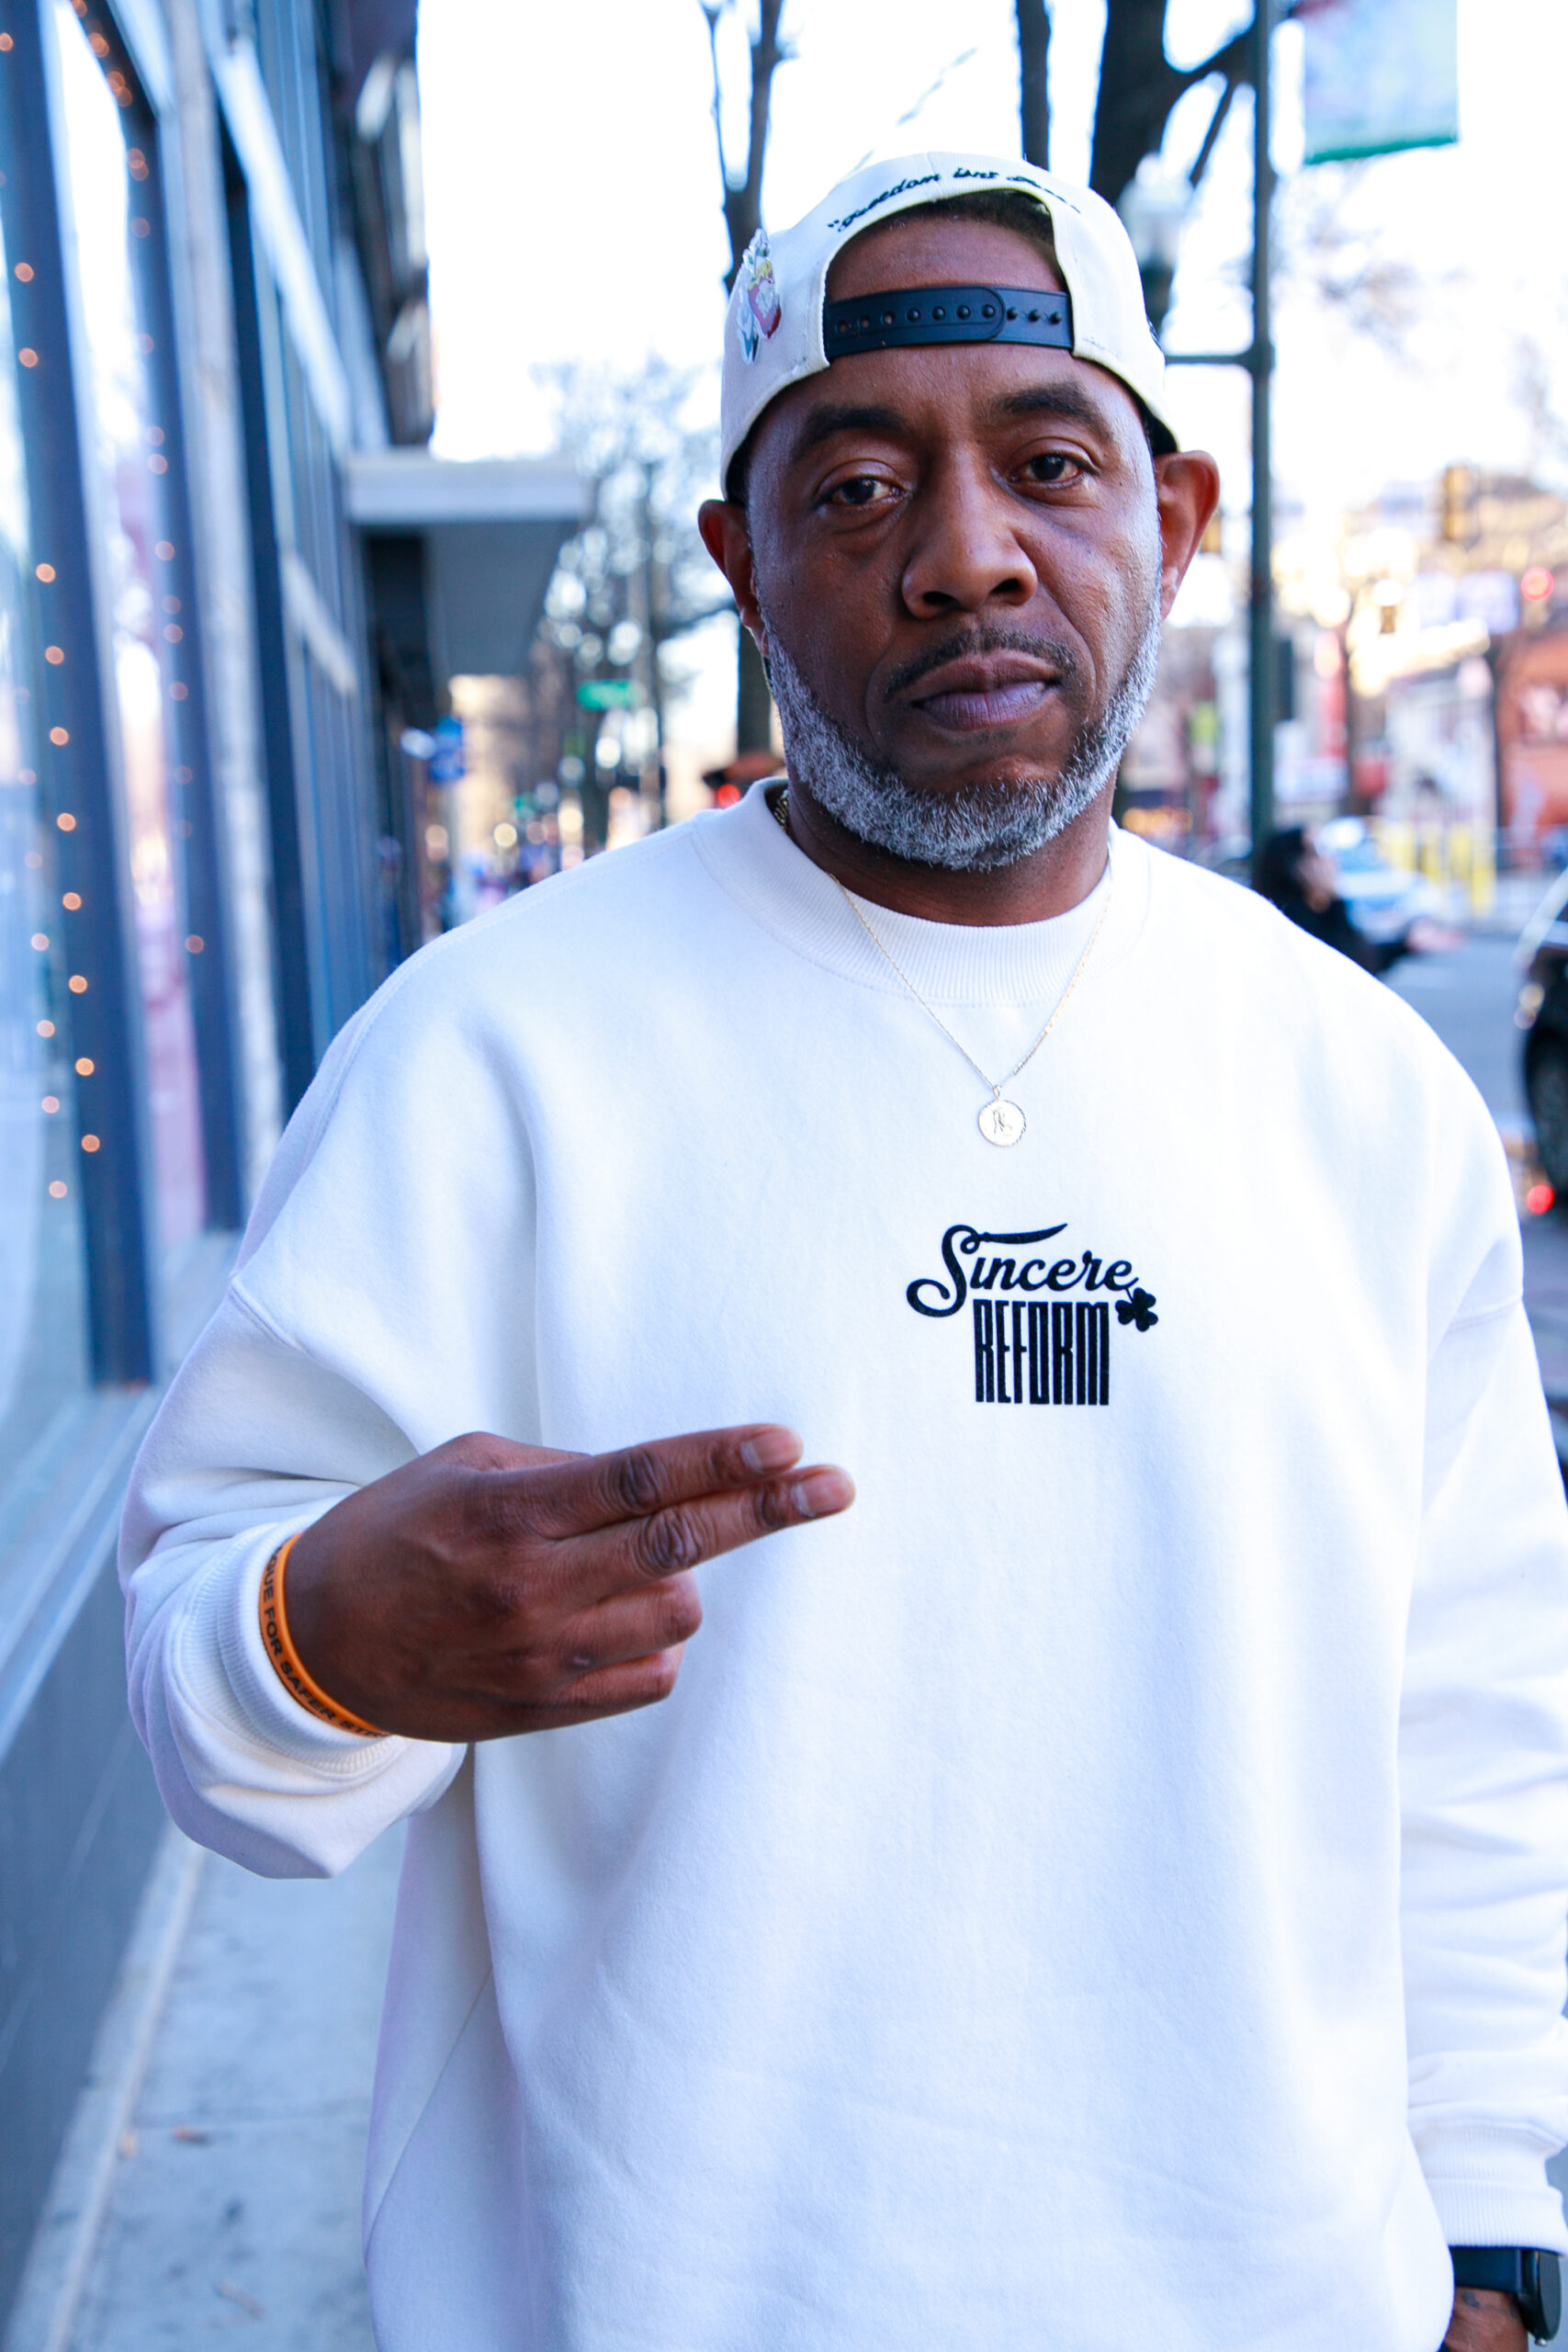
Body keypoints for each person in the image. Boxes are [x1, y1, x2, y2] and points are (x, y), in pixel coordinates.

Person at [122, 153, 1568, 2352]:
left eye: (1046, 464)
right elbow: (208, 1693)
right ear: (738, 560)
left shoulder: (1359, 1093)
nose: (961, 553)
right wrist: (326, 1633)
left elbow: (1467, 1733)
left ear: (1165, 523)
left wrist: (1482, 2240)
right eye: (857, 482)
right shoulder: (492, 1054)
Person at [1257, 823, 1453, 973]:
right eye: (1318, 850)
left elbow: (1364, 955)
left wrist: (1405, 944)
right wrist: (1334, 901)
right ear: (1294, 864)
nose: (1331, 859)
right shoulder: (1291, 919)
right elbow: (1349, 961)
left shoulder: (1317, 910)